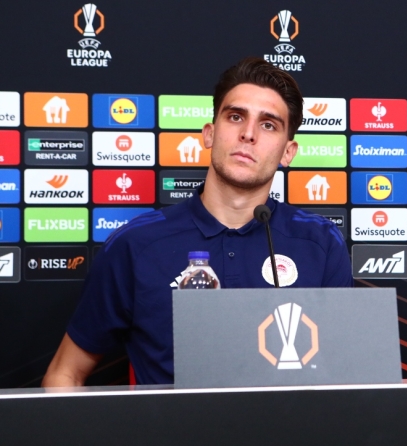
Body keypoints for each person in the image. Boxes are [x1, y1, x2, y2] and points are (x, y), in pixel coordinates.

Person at [43, 57, 353, 386]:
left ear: (288, 152)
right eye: (236, 117)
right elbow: (64, 373)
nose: (248, 134)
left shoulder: (320, 244)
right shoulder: (136, 245)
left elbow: (345, 373)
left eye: (268, 125)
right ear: (209, 133)